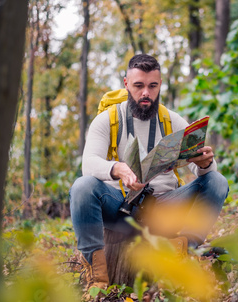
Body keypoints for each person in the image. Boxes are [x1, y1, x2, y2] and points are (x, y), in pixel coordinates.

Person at [69, 54, 229, 296]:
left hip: (163, 209)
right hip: (118, 208)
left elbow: (207, 175)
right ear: (126, 84)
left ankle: (184, 252)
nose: (146, 93)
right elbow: (88, 164)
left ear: (160, 85)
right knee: (82, 187)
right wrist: (117, 168)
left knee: (218, 181)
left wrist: (205, 163)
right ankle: (98, 277)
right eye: (139, 85)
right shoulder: (107, 120)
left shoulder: (171, 120)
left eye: (152, 86)